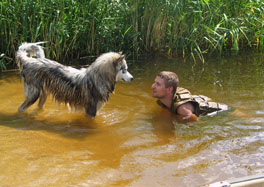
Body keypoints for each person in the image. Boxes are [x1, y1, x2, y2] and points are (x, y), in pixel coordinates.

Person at [151, 71, 230, 122]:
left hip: (225, 110)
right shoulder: (163, 100)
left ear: (169, 89)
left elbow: (196, 123)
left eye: (158, 84)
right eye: (155, 82)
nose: (152, 86)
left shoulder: (182, 109)